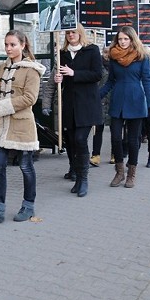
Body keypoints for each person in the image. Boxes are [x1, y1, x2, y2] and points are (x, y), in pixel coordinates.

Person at [0, 29, 45, 223]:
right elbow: (1, 93)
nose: (8, 48)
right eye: (6, 44)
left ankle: (28, 206)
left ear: (22, 45)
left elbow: (30, 98)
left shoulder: (32, 70)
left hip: (22, 127)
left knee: (26, 167)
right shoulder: (1, 68)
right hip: (0, 126)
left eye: (13, 44)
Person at [99, 26, 150, 189]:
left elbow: (147, 80)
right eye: (120, 39)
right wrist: (97, 95)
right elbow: (110, 81)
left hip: (136, 99)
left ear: (132, 39)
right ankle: (119, 171)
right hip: (118, 100)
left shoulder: (142, 56)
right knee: (115, 138)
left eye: (126, 39)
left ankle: (131, 173)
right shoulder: (114, 57)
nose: (123, 42)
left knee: (133, 139)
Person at [52, 24, 103, 197]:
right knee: (72, 141)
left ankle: (83, 179)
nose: (70, 35)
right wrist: (59, 78)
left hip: (87, 104)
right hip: (70, 104)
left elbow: (97, 75)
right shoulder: (62, 54)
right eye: (68, 33)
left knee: (81, 139)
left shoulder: (92, 50)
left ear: (80, 33)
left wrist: (75, 73)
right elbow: (63, 80)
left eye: (73, 32)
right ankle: (76, 174)